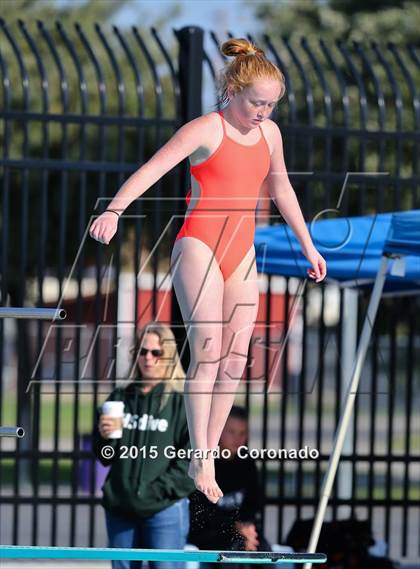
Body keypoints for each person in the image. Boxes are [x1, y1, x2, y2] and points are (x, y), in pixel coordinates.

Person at [89, 38, 327, 504]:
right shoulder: (206, 129)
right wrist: (114, 211)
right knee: (210, 348)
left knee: (237, 359)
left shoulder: (269, 135)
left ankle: (209, 450)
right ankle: (202, 455)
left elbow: (282, 190)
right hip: (199, 244)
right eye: (257, 102)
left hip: (241, 250)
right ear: (233, 90)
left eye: (271, 104)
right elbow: (153, 170)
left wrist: (308, 244)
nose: (263, 110)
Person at [93, 321, 195, 569]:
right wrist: (106, 438)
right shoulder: (120, 398)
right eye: (142, 351)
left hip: (164, 508)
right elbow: (105, 457)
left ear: (168, 356)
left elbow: (191, 461)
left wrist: (153, 492)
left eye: (156, 352)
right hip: (121, 507)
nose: (148, 358)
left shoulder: (182, 401)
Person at [188, 406, 271, 568]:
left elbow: (254, 502)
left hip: (241, 530)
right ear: (218, 432)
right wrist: (234, 526)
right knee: (232, 552)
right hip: (210, 533)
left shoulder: (247, 463)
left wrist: (247, 526)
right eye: (231, 432)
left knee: (266, 553)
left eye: (242, 433)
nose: (237, 439)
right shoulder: (206, 464)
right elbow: (199, 511)